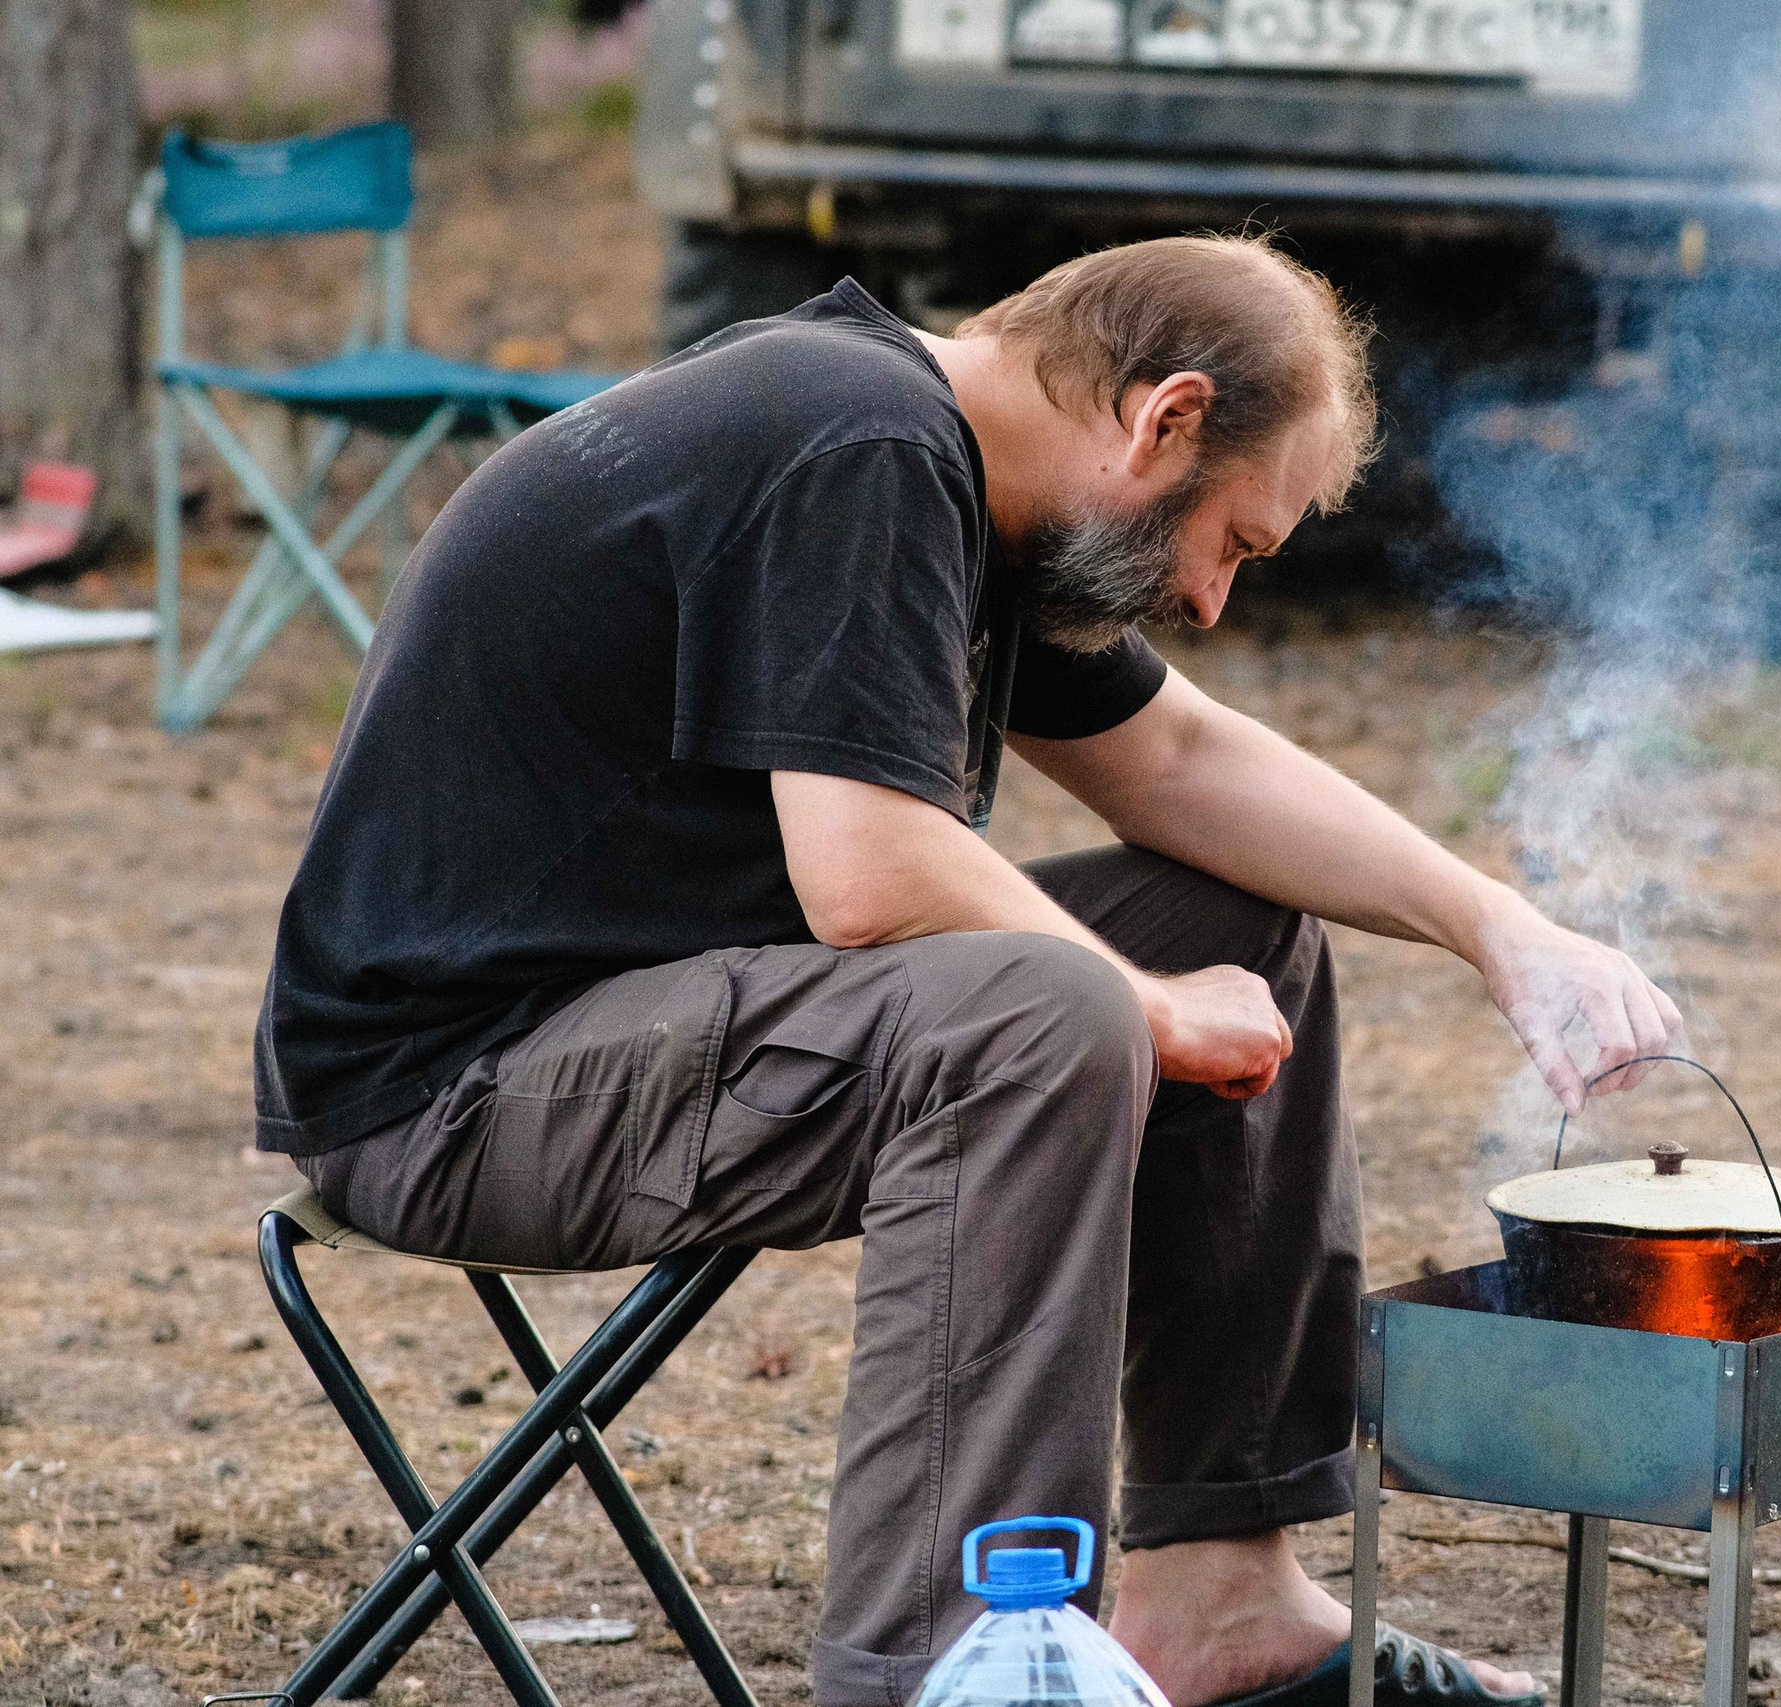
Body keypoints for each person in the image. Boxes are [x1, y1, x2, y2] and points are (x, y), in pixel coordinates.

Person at [253, 235, 1685, 1707]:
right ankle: (956, 1674)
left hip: (628, 1033)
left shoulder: (944, 472)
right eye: (1235, 544)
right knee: (1046, 1012)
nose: (1210, 603)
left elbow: (1178, 760)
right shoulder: (858, 447)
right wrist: (1143, 1008)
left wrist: (1500, 929)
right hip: (456, 1091)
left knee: (1228, 931)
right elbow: (870, 873)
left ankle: (1221, 1598)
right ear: (1165, 418)